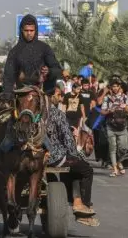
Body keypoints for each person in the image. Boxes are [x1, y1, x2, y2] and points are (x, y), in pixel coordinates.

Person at [44, 86, 98, 227]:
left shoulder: (31, 113)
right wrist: (74, 153)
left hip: (38, 155)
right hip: (53, 157)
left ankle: (76, 200)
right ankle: (83, 206)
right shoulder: (56, 113)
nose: (60, 97)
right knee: (86, 169)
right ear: (51, 96)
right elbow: (68, 140)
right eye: (57, 94)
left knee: (72, 164)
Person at [2, 14, 62, 98]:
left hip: (43, 95)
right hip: (21, 95)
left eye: (31, 30)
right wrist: (7, 94)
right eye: (26, 30)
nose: (29, 33)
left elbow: (58, 70)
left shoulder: (45, 48)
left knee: (56, 111)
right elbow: (8, 76)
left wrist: (49, 71)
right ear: (22, 30)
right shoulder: (14, 51)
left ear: (35, 30)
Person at [100, 79, 128, 177]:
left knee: (123, 148)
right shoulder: (108, 98)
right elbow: (102, 112)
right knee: (112, 148)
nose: (115, 88)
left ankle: (119, 162)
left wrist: (125, 108)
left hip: (123, 127)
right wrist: (109, 110)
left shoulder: (126, 97)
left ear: (119, 87)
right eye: (113, 86)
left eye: (116, 86)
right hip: (111, 126)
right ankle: (115, 169)